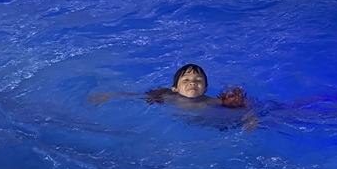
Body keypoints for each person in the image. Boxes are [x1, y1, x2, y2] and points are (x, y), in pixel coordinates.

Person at [90, 63, 249, 110]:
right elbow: (136, 97)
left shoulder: (211, 102)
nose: (193, 83)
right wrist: (110, 96)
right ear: (175, 88)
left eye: (198, 80)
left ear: (205, 88)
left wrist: (250, 118)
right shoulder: (168, 97)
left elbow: (244, 109)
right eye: (186, 80)